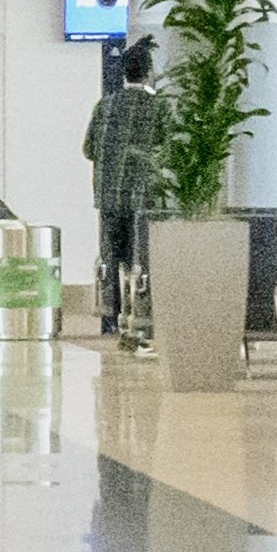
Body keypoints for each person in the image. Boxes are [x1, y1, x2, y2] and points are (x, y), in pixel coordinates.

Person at [86, 39, 174, 340]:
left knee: (111, 256)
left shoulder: (105, 105)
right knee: (141, 257)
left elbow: (88, 149)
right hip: (144, 196)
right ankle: (141, 319)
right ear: (148, 73)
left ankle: (112, 317)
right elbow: (169, 150)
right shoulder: (158, 107)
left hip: (108, 196)